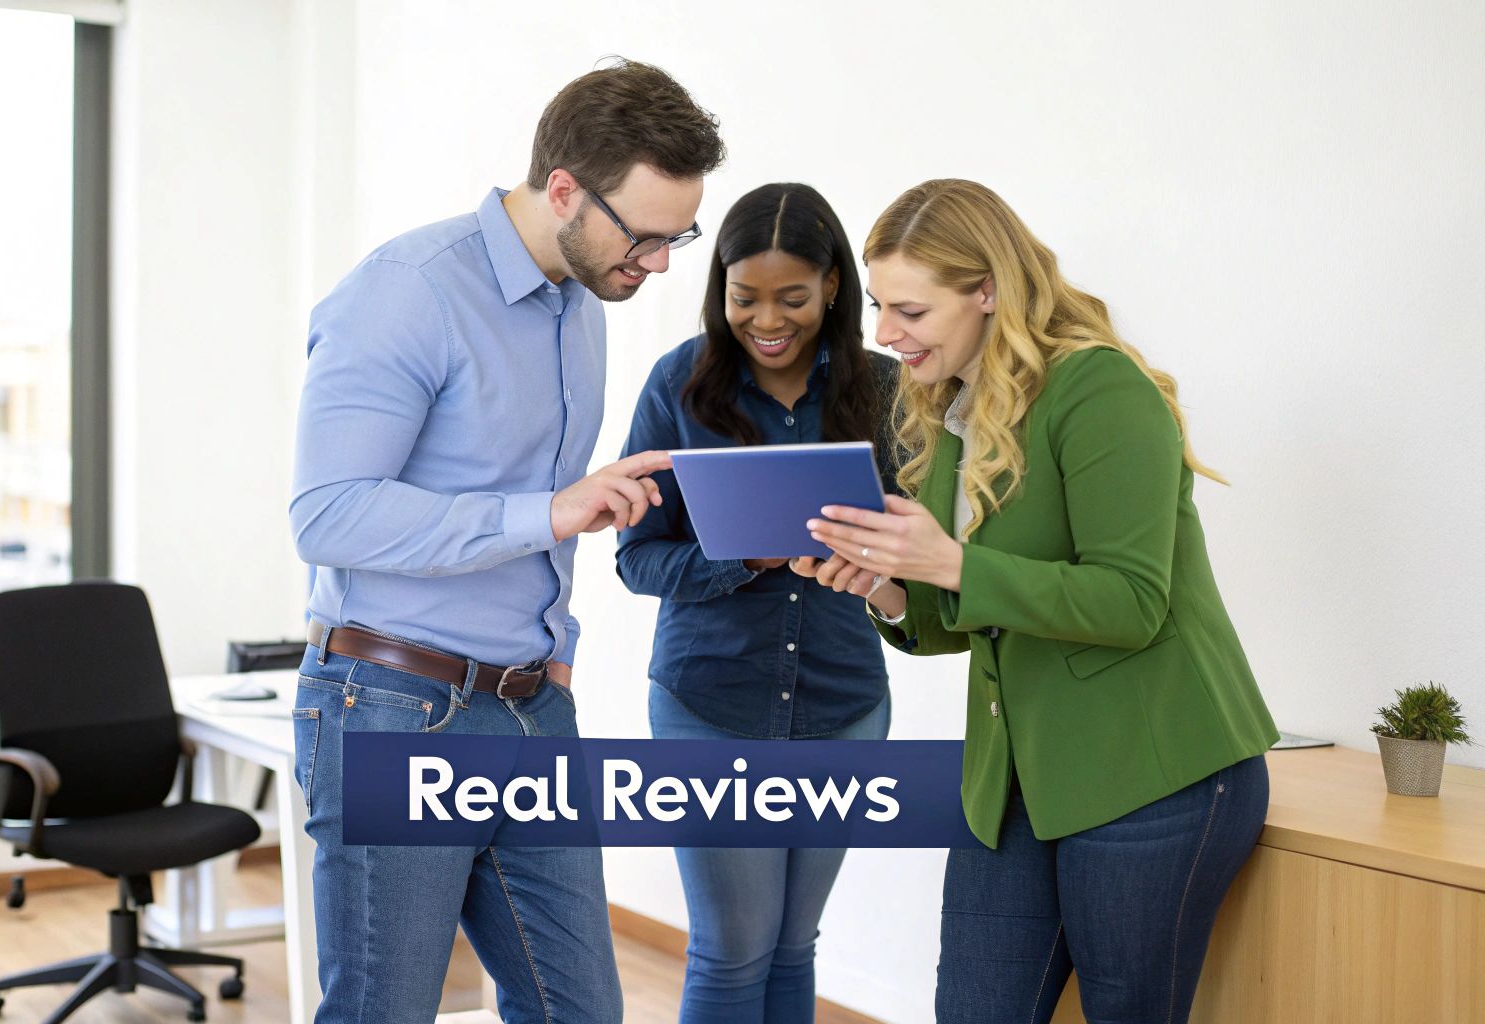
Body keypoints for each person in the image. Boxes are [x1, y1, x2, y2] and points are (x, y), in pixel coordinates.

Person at [286, 59, 724, 1024]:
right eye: (644, 236)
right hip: (393, 706)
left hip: (530, 710)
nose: (657, 265)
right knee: (384, 1010)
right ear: (563, 187)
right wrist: (548, 513)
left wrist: (556, 648)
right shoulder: (408, 292)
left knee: (581, 1011)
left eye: (675, 237)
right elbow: (327, 514)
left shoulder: (581, 301)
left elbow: (551, 507)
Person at [796, 179, 1278, 1024]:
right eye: (878, 306)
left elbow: (1131, 602)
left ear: (986, 290)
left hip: (1151, 772)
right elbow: (971, 613)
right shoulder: (951, 408)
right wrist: (889, 587)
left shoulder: (1101, 392)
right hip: (1013, 779)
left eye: (909, 310)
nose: (883, 334)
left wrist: (948, 563)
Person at [615, 182, 897, 1024]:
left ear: (834, 289)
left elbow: (923, 559)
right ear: (721, 288)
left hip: (843, 705)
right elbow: (636, 558)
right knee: (731, 954)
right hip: (711, 703)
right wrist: (742, 558)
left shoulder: (885, 391)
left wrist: (876, 559)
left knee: (790, 948)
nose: (767, 319)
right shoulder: (680, 384)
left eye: (794, 298)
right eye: (745, 297)